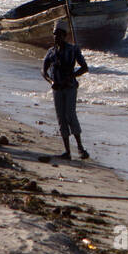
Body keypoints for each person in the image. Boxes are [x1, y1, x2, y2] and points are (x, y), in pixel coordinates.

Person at [42, 23, 89, 160]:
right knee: (61, 118)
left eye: (59, 34)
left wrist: (71, 76)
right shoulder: (51, 52)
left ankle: (80, 148)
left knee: (70, 115)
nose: (56, 37)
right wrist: (51, 82)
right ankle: (67, 151)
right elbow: (43, 70)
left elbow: (84, 67)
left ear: (64, 35)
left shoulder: (73, 50)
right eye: (55, 34)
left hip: (69, 87)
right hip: (57, 89)